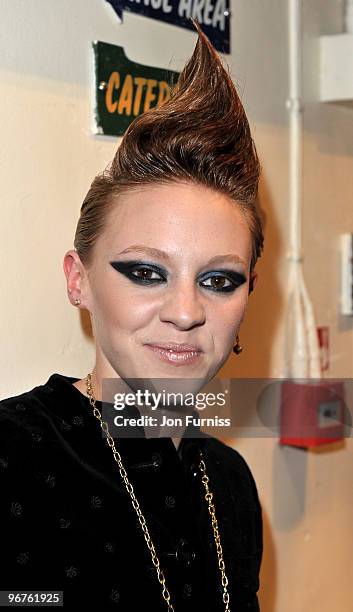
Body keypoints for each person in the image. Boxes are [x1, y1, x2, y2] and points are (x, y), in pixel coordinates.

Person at [0, 18, 264, 611]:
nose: (186, 312)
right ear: (78, 280)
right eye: (147, 272)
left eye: (218, 280)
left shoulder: (230, 484)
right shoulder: (13, 457)